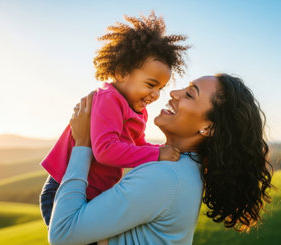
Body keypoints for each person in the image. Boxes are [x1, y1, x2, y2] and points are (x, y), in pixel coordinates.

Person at [48, 74, 274, 245]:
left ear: (208, 127)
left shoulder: (165, 177)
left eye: (189, 94)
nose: (174, 93)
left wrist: (83, 144)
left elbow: (62, 233)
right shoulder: (183, 169)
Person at [39, 12, 189, 226]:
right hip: (63, 191)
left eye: (160, 88)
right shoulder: (109, 99)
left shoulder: (136, 108)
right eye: (150, 84)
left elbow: (137, 147)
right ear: (121, 72)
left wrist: (163, 151)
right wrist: (157, 154)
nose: (156, 94)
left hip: (94, 194)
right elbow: (106, 150)